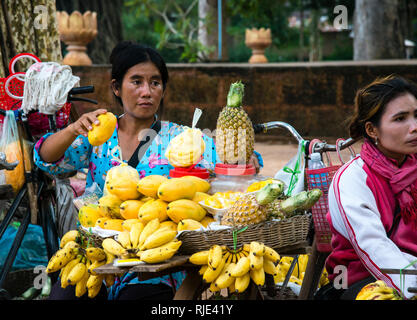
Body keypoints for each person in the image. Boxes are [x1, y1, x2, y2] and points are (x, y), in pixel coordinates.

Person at [33, 41, 264, 300]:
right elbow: (45, 158)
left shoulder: (182, 138)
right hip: (98, 255)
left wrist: (248, 158)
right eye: (136, 82)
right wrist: (73, 129)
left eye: (155, 83)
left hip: (155, 260)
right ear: (116, 88)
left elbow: (235, 159)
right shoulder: (98, 135)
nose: (147, 91)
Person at [315, 75, 417, 300]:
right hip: (361, 281)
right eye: (400, 119)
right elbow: (373, 246)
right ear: (372, 130)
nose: (414, 127)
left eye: (416, 116)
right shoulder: (352, 179)